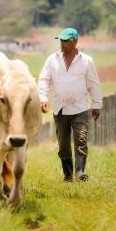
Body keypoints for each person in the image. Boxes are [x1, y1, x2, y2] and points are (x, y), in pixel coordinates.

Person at [38, 28, 103, 182]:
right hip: (60, 108)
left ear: (75, 41)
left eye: (66, 41)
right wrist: (43, 98)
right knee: (63, 145)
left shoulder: (86, 61)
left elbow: (93, 84)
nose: (63, 43)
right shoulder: (52, 60)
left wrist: (96, 104)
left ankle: (80, 172)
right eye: (61, 40)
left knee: (81, 139)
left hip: (79, 108)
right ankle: (68, 175)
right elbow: (44, 80)